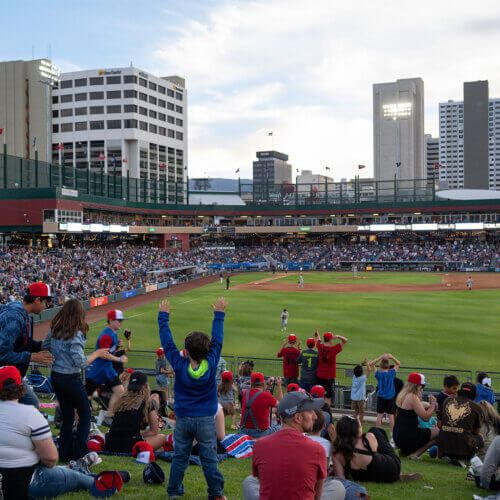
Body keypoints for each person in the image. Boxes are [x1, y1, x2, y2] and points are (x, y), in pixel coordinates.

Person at [0, 365, 125, 500]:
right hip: (28, 484)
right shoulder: (30, 414)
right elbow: (51, 458)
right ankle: (101, 479)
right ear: (21, 387)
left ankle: (78, 468)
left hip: (12, 480)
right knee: (75, 478)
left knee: (60, 471)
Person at [158, 297, 226, 500]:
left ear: (186, 351)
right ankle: (215, 493)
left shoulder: (179, 365)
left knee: (180, 457)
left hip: (184, 419)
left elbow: (167, 343)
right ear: (208, 351)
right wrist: (219, 315)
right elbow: (218, 339)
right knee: (209, 459)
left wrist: (163, 318)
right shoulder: (212, 363)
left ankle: (174, 492)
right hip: (205, 420)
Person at [42, 298, 112, 462]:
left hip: (56, 376)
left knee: (67, 416)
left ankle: (65, 453)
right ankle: (80, 452)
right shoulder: (76, 333)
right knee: (85, 413)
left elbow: (45, 346)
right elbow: (80, 362)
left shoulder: (55, 329)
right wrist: (98, 354)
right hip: (70, 377)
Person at [243, 391, 345, 500]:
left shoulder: (259, 445)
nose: (315, 417)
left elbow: (262, 481)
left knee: (249, 481)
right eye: (311, 412)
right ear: (298, 418)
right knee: (337, 486)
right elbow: (317, 496)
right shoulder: (317, 449)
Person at [0, 282, 54, 408]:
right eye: (45, 302)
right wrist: (32, 357)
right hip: (5, 375)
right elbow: (2, 352)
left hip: (11, 373)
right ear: (37, 300)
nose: (46, 306)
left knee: (28, 404)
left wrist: (40, 346)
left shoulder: (24, 315)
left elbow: (23, 343)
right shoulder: (14, 316)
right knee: (31, 403)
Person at [331, 416, 422, 483]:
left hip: (365, 477)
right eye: (360, 426)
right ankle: (400, 473)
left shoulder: (336, 452)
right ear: (356, 429)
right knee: (375, 430)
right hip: (391, 469)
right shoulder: (368, 438)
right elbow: (377, 449)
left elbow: (340, 479)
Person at [104, 370, 166, 453]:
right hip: (129, 446)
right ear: (146, 385)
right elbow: (154, 430)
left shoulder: (121, 401)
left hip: (110, 444)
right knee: (161, 437)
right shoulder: (147, 403)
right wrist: (139, 435)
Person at [85, 310, 128, 424]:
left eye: (121, 320)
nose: (121, 323)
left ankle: (109, 416)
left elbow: (110, 352)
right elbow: (104, 355)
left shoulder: (113, 333)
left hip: (107, 370)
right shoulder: (106, 336)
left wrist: (117, 346)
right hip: (98, 371)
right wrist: (119, 359)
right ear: (111, 321)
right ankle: (72, 416)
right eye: (118, 320)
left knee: (120, 391)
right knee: (86, 397)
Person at [393, 372, 439, 459]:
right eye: (422, 386)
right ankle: (415, 455)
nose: (422, 389)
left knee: (423, 430)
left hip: (398, 435)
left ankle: (404, 451)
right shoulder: (413, 397)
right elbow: (425, 418)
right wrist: (433, 404)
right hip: (408, 436)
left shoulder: (403, 395)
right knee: (439, 432)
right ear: (416, 386)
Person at [438, 381, 484, 463]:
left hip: (444, 446)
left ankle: (442, 456)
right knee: (480, 437)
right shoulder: (477, 407)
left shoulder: (447, 400)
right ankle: (466, 459)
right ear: (475, 394)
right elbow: (476, 431)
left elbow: (439, 424)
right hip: (463, 448)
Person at [240, 373, 283, 439]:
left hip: (244, 431)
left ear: (251, 384)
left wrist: (268, 386)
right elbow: (281, 405)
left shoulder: (245, 393)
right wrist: (279, 386)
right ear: (263, 384)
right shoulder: (266, 397)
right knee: (281, 426)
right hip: (261, 433)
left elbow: (260, 397)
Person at [370, 353, 400, 443]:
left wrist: (380, 357)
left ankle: (377, 434)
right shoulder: (391, 373)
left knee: (379, 415)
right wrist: (392, 357)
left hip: (381, 397)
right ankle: (392, 436)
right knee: (391, 416)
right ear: (388, 367)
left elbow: (371, 364)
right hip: (390, 398)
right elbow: (398, 363)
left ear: (380, 366)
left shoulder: (378, 374)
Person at [314, 329, 348, 406]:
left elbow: (318, 339)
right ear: (330, 340)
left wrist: (317, 334)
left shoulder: (320, 347)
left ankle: (319, 413)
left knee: (320, 396)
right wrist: (338, 336)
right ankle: (326, 414)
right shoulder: (333, 349)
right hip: (329, 378)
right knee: (328, 397)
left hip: (319, 376)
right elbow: (345, 340)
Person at [351, 358, 370, 424]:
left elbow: (358, 369)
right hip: (360, 399)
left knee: (356, 411)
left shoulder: (354, 377)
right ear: (361, 372)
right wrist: (367, 364)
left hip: (354, 398)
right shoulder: (362, 378)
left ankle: (353, 423)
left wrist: (362, 363)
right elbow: (368, 371)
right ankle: (359, 424)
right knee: (362, 412)